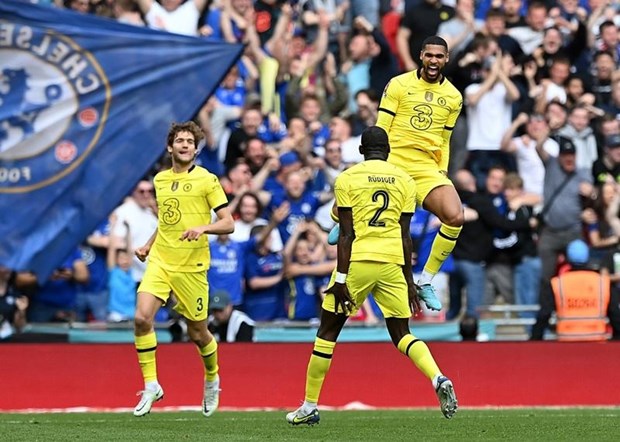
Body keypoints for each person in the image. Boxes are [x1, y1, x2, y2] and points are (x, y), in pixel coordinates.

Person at [286, 126, 457, 426]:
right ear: (388, 151)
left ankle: (309, 406)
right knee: (402, 334)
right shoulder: (404, 180)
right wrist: (408, 282)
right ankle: (437, 376)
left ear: (362, 151)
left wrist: (340, 280)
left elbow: (346, 234)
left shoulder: (348, 177)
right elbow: (406, 236)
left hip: (359, 261)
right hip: (392, 262)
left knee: (326, 334)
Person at [349, 35, 463, 312]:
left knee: (455, 216)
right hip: (395, 159)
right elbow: (380, 128)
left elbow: (445, 140)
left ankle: (426, 280)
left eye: (439, 56)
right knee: (354, 184)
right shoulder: (399, 84)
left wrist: (442, 171)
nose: (434, 61)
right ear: (421, 56)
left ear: (446, 59)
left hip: (426, 168)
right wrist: (378, 163)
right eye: (429, 55)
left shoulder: (454, 97)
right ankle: (339, 220)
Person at [131, 121, 234, 418]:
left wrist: (204, 227)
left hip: (192, 266)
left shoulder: (207, 180)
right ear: (170, 147)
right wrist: (149, 245)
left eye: (190, 141)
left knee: (198, 333)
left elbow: (228, 222)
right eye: (180, 141)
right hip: (162, 260)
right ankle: (151, 385)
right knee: (141, 318)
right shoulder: (160, 180)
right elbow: (167, 221)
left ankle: (212, 376)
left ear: (196, 148)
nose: (185, 145)